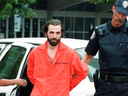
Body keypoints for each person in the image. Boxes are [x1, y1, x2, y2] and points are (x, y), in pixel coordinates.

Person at [27, 19, 88, 96]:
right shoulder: (35, 52)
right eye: (51, 33)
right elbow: (30, 73)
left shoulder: (70, 53)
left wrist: (66, 86)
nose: (54, 36)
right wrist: (42, 86)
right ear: (46, 33)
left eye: (57, 33)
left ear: (61, 33)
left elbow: (82, 72)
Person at [81, 0, 128, 95]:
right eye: (119, 13)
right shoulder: (100, 32)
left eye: (124, 15)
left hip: (126, 87)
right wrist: (75, 72)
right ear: (113, 9)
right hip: (105, 86)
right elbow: (88, 56)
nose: (120, 17)